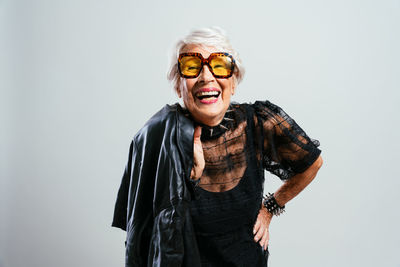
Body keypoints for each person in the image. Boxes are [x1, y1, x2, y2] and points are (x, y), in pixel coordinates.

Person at [112, 26, 323, 267]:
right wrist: (188, 179)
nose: (206, 77)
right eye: (191, 67)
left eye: (220, 66)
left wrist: (270, 207)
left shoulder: (258, 122)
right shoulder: (160, 138)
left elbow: (312, 163)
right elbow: (146, 233)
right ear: (177, 85)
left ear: (233, 82)